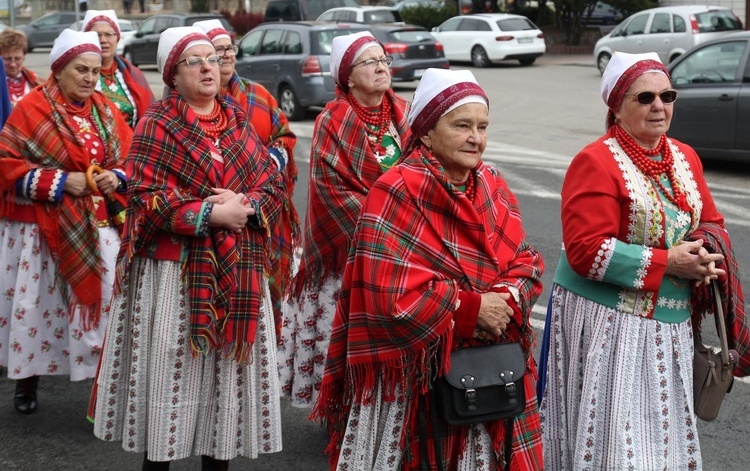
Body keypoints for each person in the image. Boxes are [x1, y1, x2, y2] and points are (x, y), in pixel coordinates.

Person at [310, 68, 545, 469]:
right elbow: (389, 293)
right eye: (462, 125)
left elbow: (527, 260)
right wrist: (471, 309)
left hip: (494, 365)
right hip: (419, 379)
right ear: (426, 132)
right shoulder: (395, 190)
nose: (476, 137)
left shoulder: (492, 183)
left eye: (482, 126)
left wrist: (505, 298)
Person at [538, 52, 749, 470]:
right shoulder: (596, 161)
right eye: (645, 97)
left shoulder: (684, 156)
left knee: (663, 439)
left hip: (669, 328)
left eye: (667, 95)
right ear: (617, 107)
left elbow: (709, 219)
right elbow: (585, 250)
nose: (659, 106)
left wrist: (706, 254)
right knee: (618, 443)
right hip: (608, 325)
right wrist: (668, 262)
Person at [92, 27, 285, 470]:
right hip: (174, 277)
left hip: (236, 270)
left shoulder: (236, 119)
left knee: (222, 398)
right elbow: (143, 196)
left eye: (211, 59)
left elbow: (269, 182)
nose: (206, 67)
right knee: (170, 391)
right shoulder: (156, 123)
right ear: (172, 76)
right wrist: (209, 215)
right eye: (193, 61)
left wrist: (247, 205)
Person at [0, 29, 133, 414]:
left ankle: (101, 391)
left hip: (96, 222)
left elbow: (130, 157)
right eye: (81, 70)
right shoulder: (31, 109)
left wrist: (117, 177)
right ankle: (27, 382)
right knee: (39, 305)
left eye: (94, 71)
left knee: (106, 301)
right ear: (58, 70)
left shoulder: (105, 109)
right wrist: (61, 181)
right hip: (42, 227)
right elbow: (6, 166)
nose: (90, 78)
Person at [277, 31, 411, 408]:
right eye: (370, 62)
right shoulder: (331, 121)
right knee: (346, 332)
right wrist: (387, 220)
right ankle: (342, 407)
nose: (381, 66)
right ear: (348, 77)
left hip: (406, 244)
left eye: (383, 58)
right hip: (352, 250)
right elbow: (332, 191)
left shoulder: (403, 111)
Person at [194, 19, 299, 341]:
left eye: (228, 48)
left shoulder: (259, 95)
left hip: (265, 210)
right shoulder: (192, 101)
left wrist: (264, 166)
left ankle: (265, 353)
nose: (224, 55)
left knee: (269, 289)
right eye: (216, 50)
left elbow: (284, 135)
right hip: (217, 215)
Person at [82, 10, 155, 128]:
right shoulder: (77, 76)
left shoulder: (134, 75)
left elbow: (150, 118)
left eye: (109, 34)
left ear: (117, 39)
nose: (103, 40)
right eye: (97, 35)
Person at [0, 28, 42, 106]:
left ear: (24, 56)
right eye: (7, 59)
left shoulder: (36, 82)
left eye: (17, 58)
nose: (13, 64)